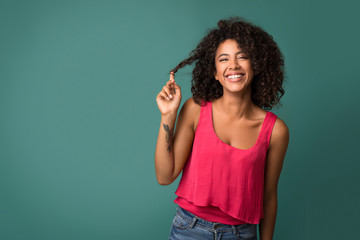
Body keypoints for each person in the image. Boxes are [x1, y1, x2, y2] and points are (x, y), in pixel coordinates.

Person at [155, 17, 289, 240]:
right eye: (224, 59)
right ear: (215, 72)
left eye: (242, 57)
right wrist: (168, 115)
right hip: (189, 230)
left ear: (256, 66)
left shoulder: (275, 131)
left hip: (241, 234)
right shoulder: (195, 109)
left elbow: (268, 197)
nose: (233, 65)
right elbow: (164, 175)